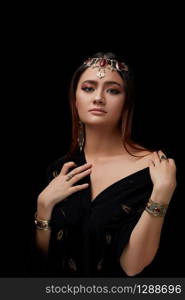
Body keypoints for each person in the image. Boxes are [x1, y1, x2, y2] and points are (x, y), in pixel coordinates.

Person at [32, 52, 177, 277]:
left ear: (126, 101)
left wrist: (161, 195)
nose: (98, 98)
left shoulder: (156, 168)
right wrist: (43, 207)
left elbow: (132, 266)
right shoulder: (59, 169)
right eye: (88, 88)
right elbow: (43, 262)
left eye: (113, 90)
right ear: (75, 99)